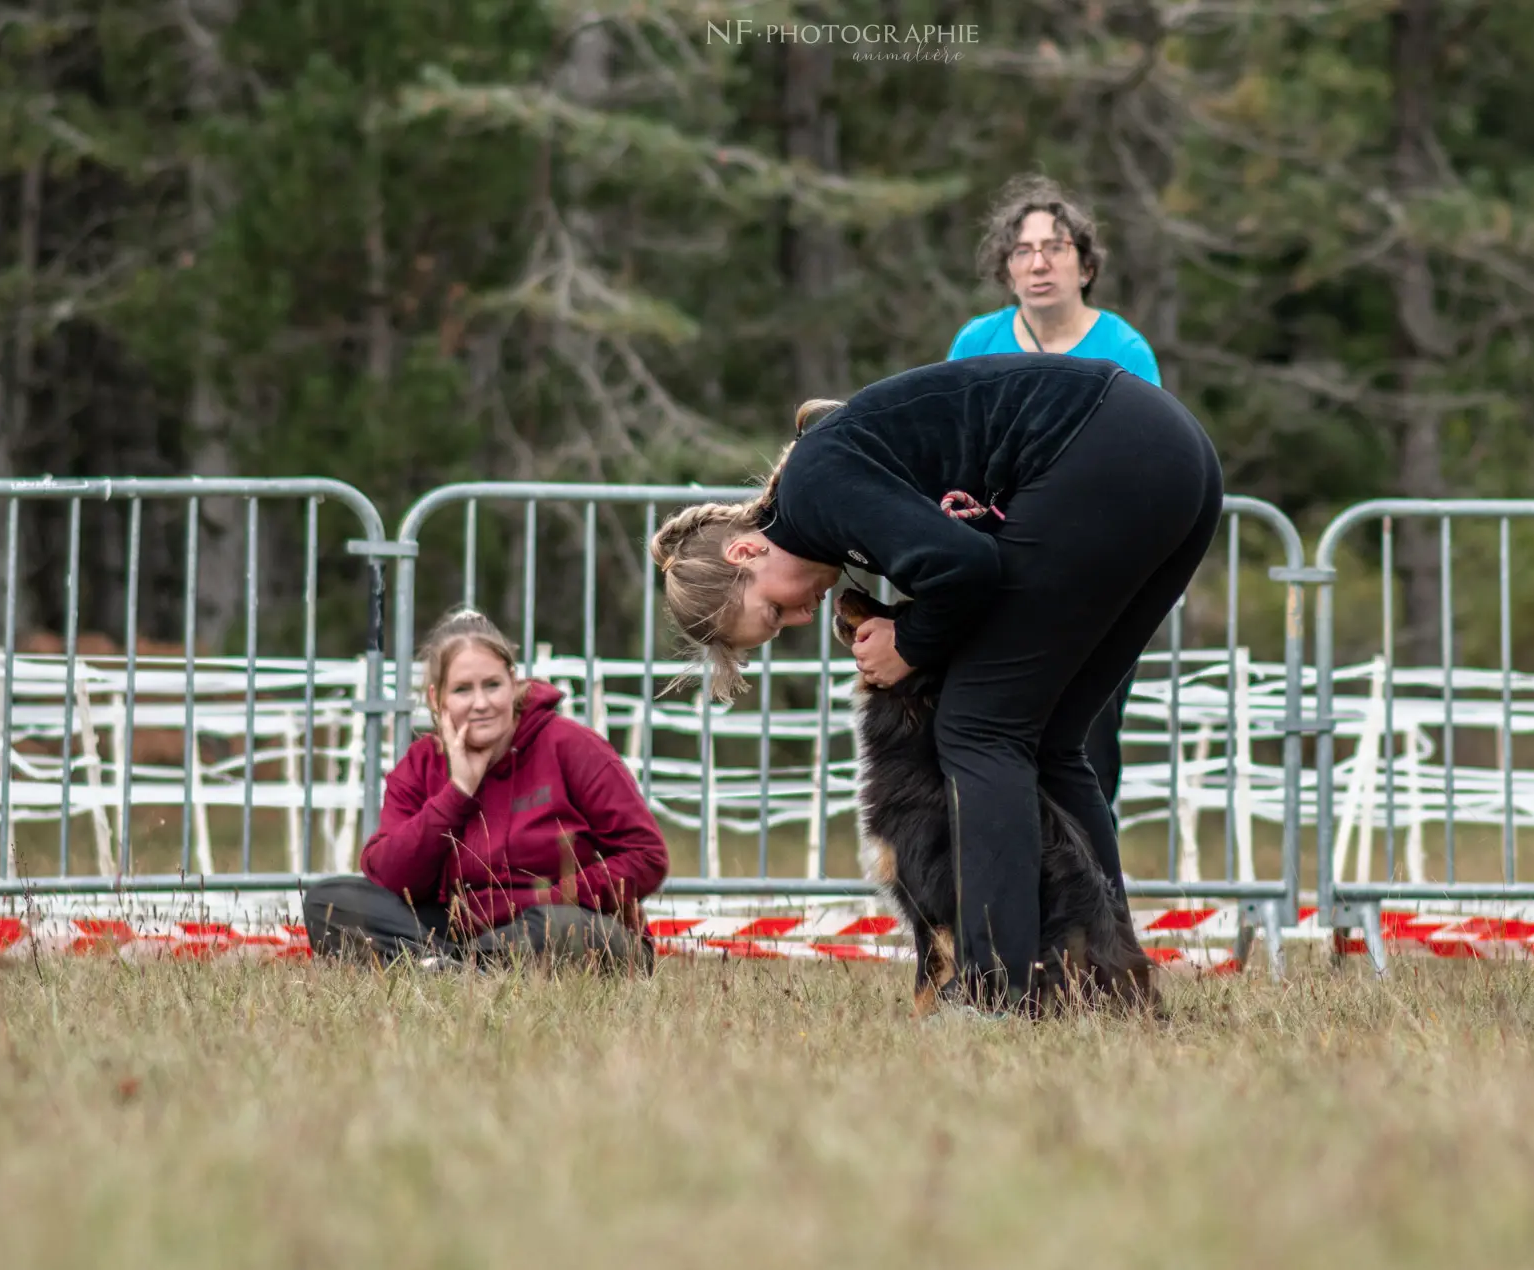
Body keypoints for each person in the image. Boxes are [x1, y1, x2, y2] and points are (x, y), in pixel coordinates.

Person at [649, 353, 1222, 1014]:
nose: (803, 617)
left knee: (979, 730)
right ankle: (1105, 982)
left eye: (775, 611)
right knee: (1054, 739)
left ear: (744, 551)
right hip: (1169, 453)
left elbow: (967, 567)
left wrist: (909, 644)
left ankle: (989, 992)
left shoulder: (815, 491)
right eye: (783, 626)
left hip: (1107, 450)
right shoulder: (825, 493)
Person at [946, 174, 1165, 827]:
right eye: (1022, 250)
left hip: (1095, 580)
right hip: (997, 574)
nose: (1038, 262)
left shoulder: (1124, 350)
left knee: (1085, 747)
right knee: (992, 739)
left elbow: (1152, 467)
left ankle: (1090, 905)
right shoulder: (976, 344)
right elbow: (950, 451)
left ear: (1085, 265)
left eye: (1056, 246)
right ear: (1006, 269)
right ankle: (1008, 893)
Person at [303, 608, 667, 973]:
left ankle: (445, 968)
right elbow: (392, 877)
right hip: (461, 930)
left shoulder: (572, 745)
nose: (481, 703)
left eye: (492, 685)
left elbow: (647, 856)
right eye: (462, 689)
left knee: (559, 928)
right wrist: (457, 793)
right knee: (328, 903)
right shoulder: (420, 765)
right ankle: (461, 969)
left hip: (557, 926)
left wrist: (559, 897)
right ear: (436, 699)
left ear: (513, 682)